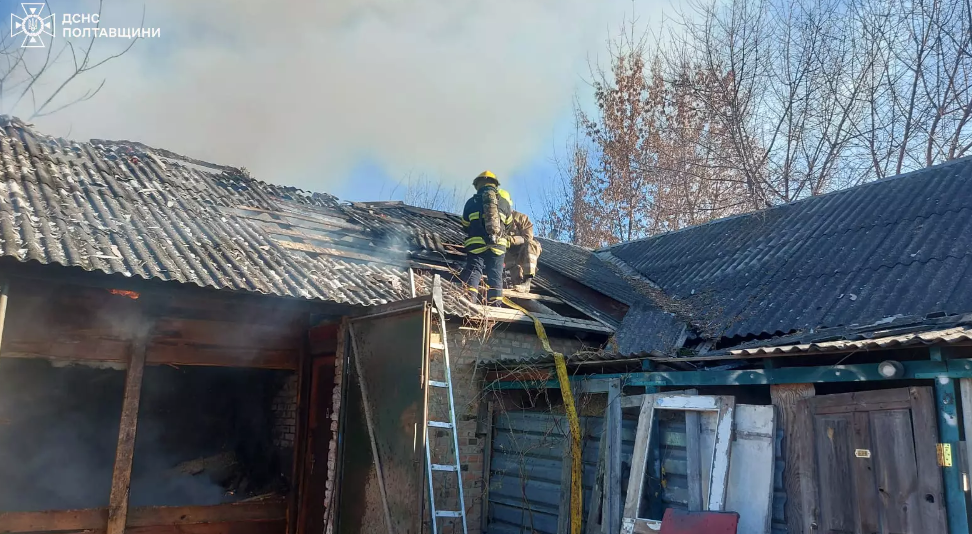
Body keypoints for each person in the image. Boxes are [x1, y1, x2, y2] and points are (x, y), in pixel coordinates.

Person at [459, 170, 514, 305]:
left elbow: (465, 225)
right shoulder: (504, 203)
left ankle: (469, 301)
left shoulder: (471, 202)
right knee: (495, 274)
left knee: (474, 270)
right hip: (498, 245)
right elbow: (509, 225)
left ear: (478, 185)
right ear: (495, 185)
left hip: (476, 244)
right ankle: (495, 305)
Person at [507, 210, 542, 292]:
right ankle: (516, 282)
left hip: (523, 251)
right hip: (508, 254)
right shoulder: (494, 219)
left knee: (531, 244)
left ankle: (527, 281)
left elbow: (527, 237)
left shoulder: (520, 218)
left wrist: (510, 240)